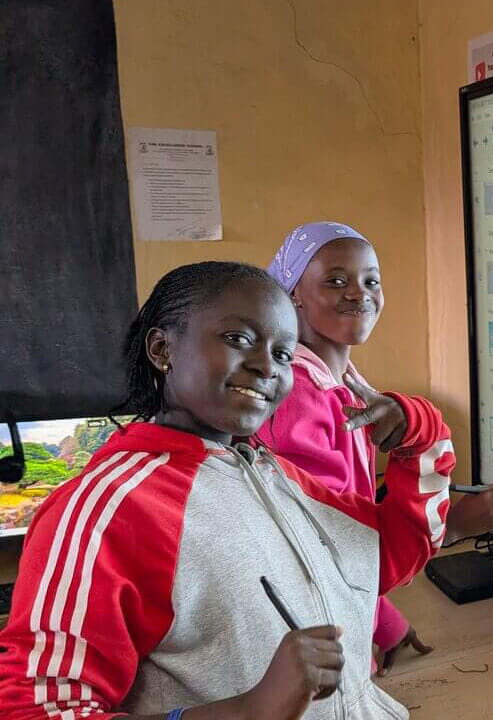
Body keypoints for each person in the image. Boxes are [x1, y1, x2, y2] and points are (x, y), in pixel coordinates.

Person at [0, 261, 453, 719]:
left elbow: (394, 552)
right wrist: (247, 712)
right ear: (162, 349)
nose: (265, 366)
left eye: (283, 353)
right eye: (238, 339)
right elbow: (37, 711)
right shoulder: (105, 510)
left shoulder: (276, 476)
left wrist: (416, 434)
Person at [260, 221, 493, 674]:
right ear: (294, 294)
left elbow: (342, 527)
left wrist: (383, 624)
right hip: (307, 661)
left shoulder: (340, 381)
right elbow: (337, 557)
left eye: (371, 280)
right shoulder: (299, 401)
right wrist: (454, 527)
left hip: (334, 630)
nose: (359, 294)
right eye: (335, 281)